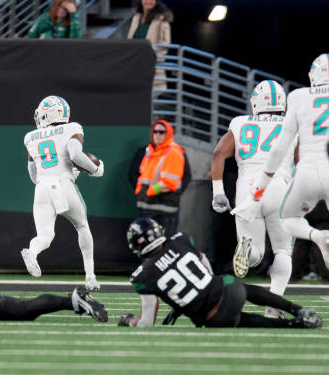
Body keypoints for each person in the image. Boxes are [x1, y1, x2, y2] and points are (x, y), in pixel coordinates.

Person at [119, 217, 322, 329]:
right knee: (245, 288)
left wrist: (129, 321)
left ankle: (293, 324)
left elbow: (146, 323)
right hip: (229, 289)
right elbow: (203, 260)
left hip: (213, 316)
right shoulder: (180, 239)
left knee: (238, 320)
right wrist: (208, 280)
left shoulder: (142, 276)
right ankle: (298, 310)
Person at [211, 80, 295, 317]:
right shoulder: (291, 123)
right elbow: (301, 158)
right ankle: (273, 305)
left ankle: (247, 251)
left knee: (255, 255)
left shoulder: (240, 123)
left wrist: (218, 192)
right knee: (282, 251)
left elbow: (218, 153)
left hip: (248, 190)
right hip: (279, 187)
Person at [248, 54, 329, 271]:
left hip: (308, 171)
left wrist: (261, 186)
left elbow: (280, 147)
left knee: (288, 220)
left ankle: (318, 237)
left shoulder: (298, 96)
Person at [20, 96, 104, 291]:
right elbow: (75, 155)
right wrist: (94, 170)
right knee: (82, 226)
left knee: (45, 235)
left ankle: (32, 252)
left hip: (41, 187)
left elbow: (33, 173)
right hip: (63, 183)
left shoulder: (30, 137)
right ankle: (90, 276)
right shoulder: (71, 128)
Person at [134, 119, 186, 237]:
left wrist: (151, 191)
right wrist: (140, 189)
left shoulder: (173, 152)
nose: (157, 135)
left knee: (164, 245)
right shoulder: (150, 151)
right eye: (155, 132)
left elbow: (170, 182)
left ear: (168, 133)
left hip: (164, 210)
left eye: (161, 132)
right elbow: (144, 174)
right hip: (148, 207)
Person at [126, 0, 172, 90]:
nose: (148, 1)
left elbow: (165, 44)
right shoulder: (136, 18)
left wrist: (153, 58)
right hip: (134, 65)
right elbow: (129, 40)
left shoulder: (161, 19)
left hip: (151, 66)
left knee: (149, 97)